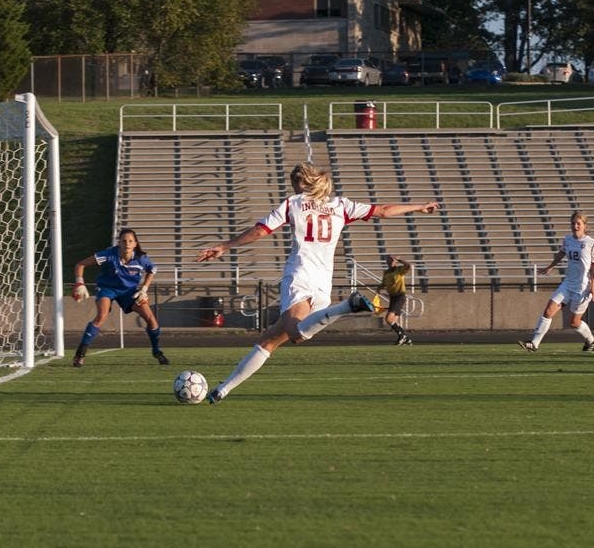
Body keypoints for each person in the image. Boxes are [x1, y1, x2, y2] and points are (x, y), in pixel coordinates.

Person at [196, 162, 439, 404]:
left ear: (300, 183)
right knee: (269, 340)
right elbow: (384, 211)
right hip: (323, 285)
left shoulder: (293, 203)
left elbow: (261, 231)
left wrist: (224, 246)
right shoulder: (341, 206)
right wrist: (419, 207)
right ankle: (222, 390)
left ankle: (348, 305)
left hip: (300, 276)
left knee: (296, 334)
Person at [71, 228, 168, 367]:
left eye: (130, 241)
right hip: (107, 289)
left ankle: (157, 351)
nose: (127, 244)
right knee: (102, 316)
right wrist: (79, 282)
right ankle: (80, 355)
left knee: (151, 319)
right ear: (119, 243)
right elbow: (80, 265)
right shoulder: (109, 254)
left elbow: (152, 270)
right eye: (124, 241)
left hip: (129, 292)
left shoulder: (141, 258)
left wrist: (144, 289)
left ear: (135, 244)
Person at [518, 211, 594, 352]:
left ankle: (591, 340)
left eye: (578, 224)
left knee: (574, 323)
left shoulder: (591, 243)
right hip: (567, 284)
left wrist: (593, 287)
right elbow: (561, 253)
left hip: (582, 287)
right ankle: (534, 343)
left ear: (585, 225)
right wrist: (550, 266)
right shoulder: (567, 239)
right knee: (548, 310)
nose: (575, 226)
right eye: (573, 223)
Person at [377, 255, 413, 345]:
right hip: (393, 297)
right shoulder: (386, 272)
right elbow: (384, 283)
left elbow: (408, 266)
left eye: (391, 260)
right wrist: (379, 288)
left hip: (399, 296)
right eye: (388, 260)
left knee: (388, 319)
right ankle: (406, 339)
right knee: (394, 321)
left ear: (395, 261)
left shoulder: (399, 270)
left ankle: (403, 336)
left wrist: (399, 259)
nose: (389, 262)